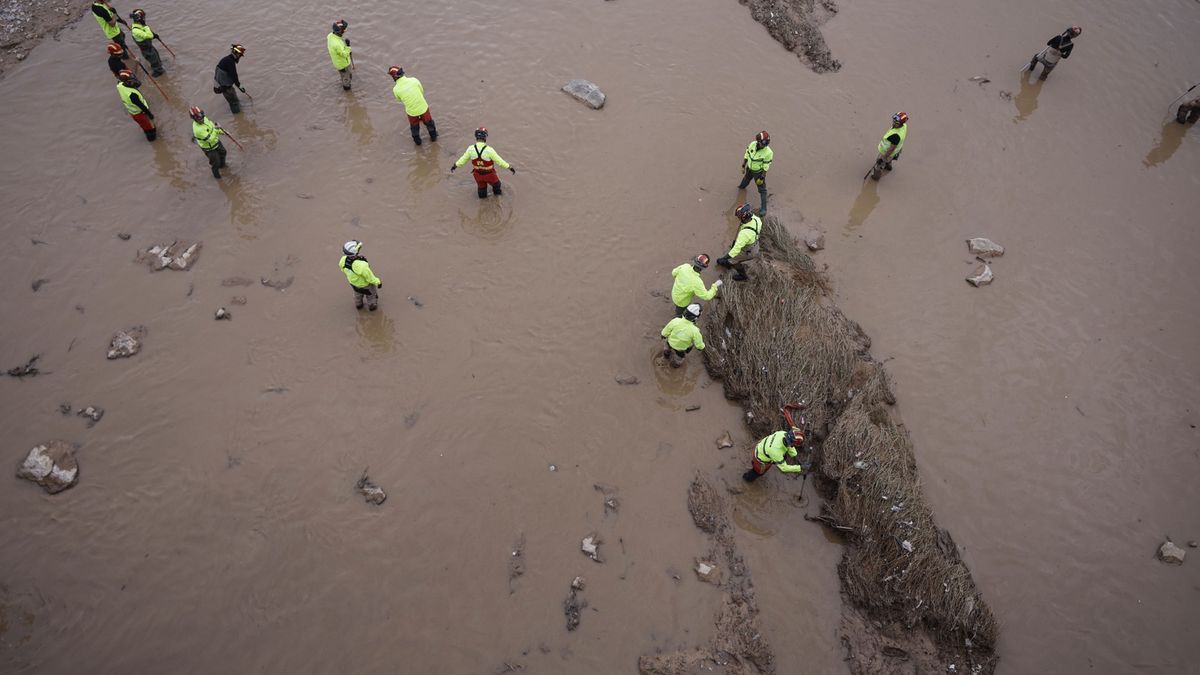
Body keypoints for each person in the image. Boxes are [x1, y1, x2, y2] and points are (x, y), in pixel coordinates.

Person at [451, 127, 516, 198]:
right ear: (485, 137)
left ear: (476, 137)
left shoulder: (470, 149)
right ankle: (497, 199)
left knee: (481, 189)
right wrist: (509, 167)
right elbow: (500, 161)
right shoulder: (489, 150)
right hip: (489, 175)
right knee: (497, 185)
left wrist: (455, 166)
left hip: (477, 175)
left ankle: (482, 202)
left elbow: (462, 160)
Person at [389, 66, 437, 144]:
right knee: (429, 123)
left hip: (411, 112)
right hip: (423, 107)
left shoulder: (396, 89)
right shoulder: (414, 80)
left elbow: (399, 100)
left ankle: (418, 143)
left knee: (414, 128)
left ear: (393, 77)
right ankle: (434, 138)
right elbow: (421, 91)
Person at [716, 203, 762, 281]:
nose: (738, 218)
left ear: (743, 218)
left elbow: (735, 250)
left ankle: (743, 276)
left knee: (734, 261)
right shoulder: (756, 219)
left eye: (739, 217)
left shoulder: (744, 234)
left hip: (749, 251)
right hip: (755, 244)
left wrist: (724, 258)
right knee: (733, 255)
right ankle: (729, 263)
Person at [742, 427, 806, 482]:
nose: (794, 446)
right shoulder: (776, 452)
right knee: (757, 473)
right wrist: (800, 468)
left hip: (762, 448)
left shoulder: (782, 433)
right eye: (794, 445)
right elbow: (784, 468)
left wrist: (795, 455)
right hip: (760, 459)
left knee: (777, 457)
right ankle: (747, 478)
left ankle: (753, 468)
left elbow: (790, 446)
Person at [339, 240, 382, 311]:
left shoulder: (342, 260)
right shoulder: (362, 265)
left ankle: (359, 305)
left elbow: (343, 270)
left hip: (353, 284)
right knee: (371, 296)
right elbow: (370, 278)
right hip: (366, 286)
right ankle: (372, 307)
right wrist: (378, 282)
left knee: (357, 296)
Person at [738, 131, 772, 216]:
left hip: (758, 173)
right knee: (745, 181)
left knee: (762, 190)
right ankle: (741, 188)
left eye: (766, 144)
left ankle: (764, 208)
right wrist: (743, 165)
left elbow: (766, 165)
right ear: (758, 141)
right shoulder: (752, 144)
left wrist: (762, 177)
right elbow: (747, 153)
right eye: (763, 143)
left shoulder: (768, 152)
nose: (764, 146)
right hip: (749, 168)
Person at [660, 304, 705, 368]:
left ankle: (665, 356)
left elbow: (665, 332)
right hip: (681, 349)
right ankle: (675, 365)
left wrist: (663, 335)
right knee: (679, 358)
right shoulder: (695, 331)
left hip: (670, 342)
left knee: (666, 349)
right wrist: (701, 347)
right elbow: (699, 345)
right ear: (696, 318)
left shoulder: (675, 321)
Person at [115, 69, 155, 141]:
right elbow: (141, 106)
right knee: (149, 129)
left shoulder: (119, 85)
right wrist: (149, 114)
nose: (133, 80)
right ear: (128, 81)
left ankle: (148, 132)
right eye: (131, 79)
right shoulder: (132, 95)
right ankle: (152, 138)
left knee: (143, 126)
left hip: (133, 112)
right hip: (139, 113)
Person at [190, 107, 227, 179]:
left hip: (216, 142)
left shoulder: (205, 119)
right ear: (194, 118)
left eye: (201, 115)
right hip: (209, 148)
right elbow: (210, 139)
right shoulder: (198, 130)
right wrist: (217, 129)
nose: (200, 118)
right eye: (197, 117)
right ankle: (218, 178)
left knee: (223, 152)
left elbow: (212, 127)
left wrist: (221, 131)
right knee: (216, 163)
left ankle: (223, 167)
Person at [871, 111, 908, 179]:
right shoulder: (904, 126)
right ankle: (888, 166)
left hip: (887, 152)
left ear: (901, 123)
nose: (893, 123)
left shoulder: (896, 135)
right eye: (894, 121)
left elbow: (891, 149)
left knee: (879, 165)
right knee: (890, 159)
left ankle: (876, 176)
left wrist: (883, 158)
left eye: (896, 122)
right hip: (896, 150)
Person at [128, 9, 164, 76]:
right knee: (153, 59)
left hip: (149, 45)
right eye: (143, 17)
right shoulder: (135, 30)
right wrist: (146, 26)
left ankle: (159, 65)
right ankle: (158, 70)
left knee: (156, 54)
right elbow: (149, 35)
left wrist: (154, 35)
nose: (144, 19)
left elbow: (148, 34)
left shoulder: (140, 25)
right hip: (145, 48)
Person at [214, 44, 247, 114]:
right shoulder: (230, 62)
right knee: (234, 103)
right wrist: (240, 86)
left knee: (235, 101)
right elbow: (234, 75)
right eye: (240, 55)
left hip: (222, 86)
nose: (240, 57)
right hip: (226, 88)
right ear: (236, 53)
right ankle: (238, 118)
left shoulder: (225, 59)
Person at [327, 20, 352, 90]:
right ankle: (347, 88)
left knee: (343, 75)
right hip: (343, 64)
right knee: (347, 76)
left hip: (337, 63)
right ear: (340, 32)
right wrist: (348, 46)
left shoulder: (330, 36)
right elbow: (345, 54)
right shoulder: (337, 45)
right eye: (344, 29)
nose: (345, 30)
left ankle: (344, 79)